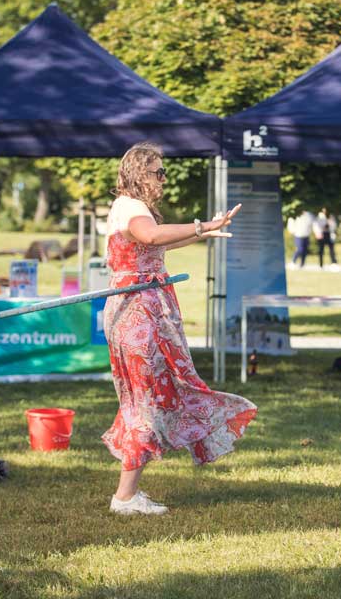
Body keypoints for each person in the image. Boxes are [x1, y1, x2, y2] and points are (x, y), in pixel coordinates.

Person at [102, 142, 257, 516]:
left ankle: (128, 494)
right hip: (136, 313)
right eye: (158, 171)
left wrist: (204, 233)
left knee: (154, 395)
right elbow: (152, 237)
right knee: (145, 401)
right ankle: (124, 497)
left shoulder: (135, 209)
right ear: (140, 172)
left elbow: (155, 243)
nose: (163, 178)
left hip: (143, 308)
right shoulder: (131, 207)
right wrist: (201, 224)